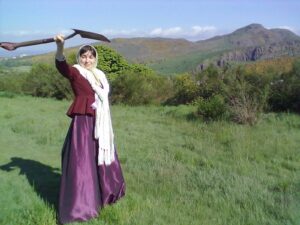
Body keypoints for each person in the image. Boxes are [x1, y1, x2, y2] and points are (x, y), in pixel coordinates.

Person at [54, 35, 125, 224]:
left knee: (101, 156)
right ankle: (82, 205)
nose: (87, 60)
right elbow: (63, 67)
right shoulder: (76, 72)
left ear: (95, 58)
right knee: (82, 161)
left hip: (100, 123)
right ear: (79, 58)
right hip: (83, 124)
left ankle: (107, 193)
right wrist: (60, 48)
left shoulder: (100, 75)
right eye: (84, 56)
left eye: (91, 57)